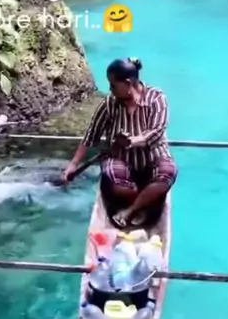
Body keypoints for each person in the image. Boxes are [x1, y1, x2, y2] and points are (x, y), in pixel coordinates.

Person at [62, 57, 177, 227]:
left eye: (113, 85)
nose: (110, 89)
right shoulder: (109, 104)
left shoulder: (156, 98)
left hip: (154, 155)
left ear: (128, 83)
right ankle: (147, 200)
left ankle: (131, 210)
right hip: (122, 159)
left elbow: (156, 132)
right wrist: (73, 164)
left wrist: (132, 141)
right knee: (113, 179)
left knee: (168, 172)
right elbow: (91, 135)